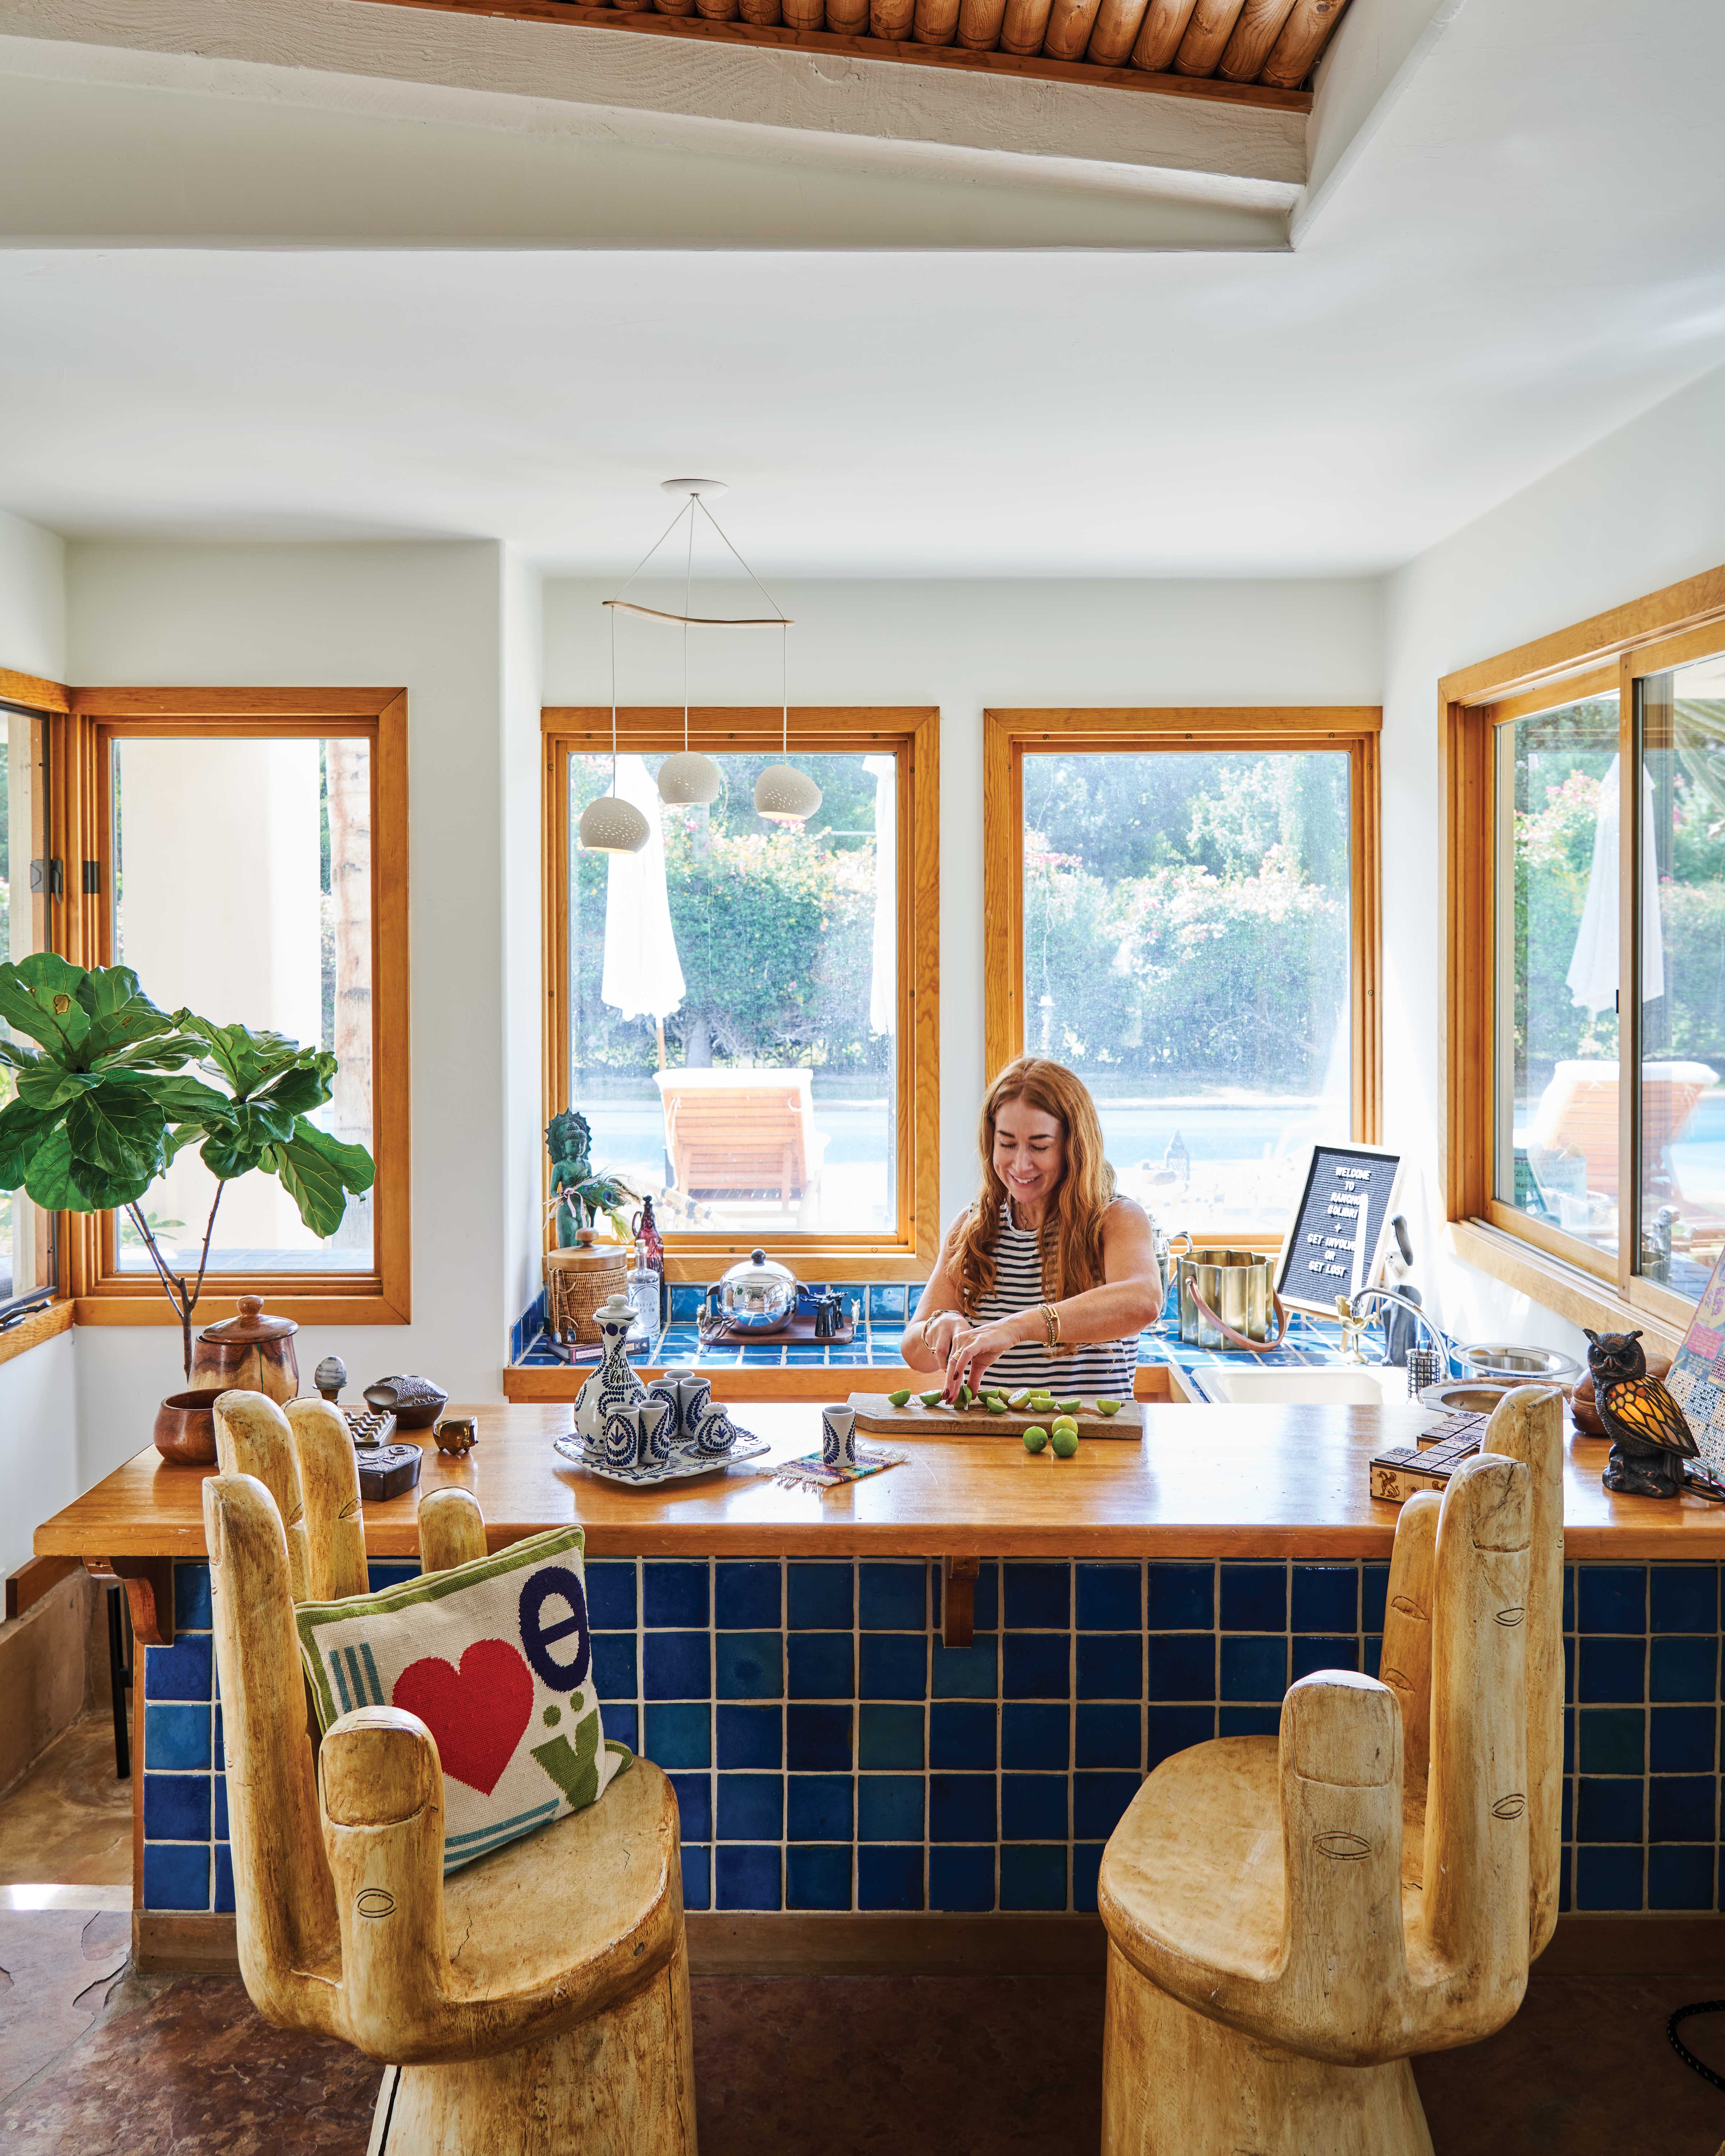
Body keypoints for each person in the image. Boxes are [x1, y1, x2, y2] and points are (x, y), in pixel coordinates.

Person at [902, 1057, 1162, 1402]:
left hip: (1092, 1436)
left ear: (1073, 1146)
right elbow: (913, 1350)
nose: (1021, 1164)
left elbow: (1143, 1301)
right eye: (1007, 1144)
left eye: (1040, 1146)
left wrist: (1016, 1328)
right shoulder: (972, 1226)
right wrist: (937, 1328)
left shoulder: (1115, 1219)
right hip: (991, 1437)